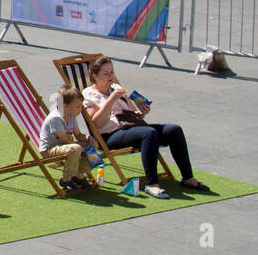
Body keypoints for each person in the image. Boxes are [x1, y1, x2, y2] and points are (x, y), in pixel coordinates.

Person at [82, 56, 207, 198]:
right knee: (149, 133)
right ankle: (152, 184)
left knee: (174, 130)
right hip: (109, 135)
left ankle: (188, 178)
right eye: (106, 73)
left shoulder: (116, 88)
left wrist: (142, 113)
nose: (111, 76)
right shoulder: (88, 95)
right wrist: (111, 99)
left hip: (130, 127)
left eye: (112, 72)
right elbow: (96, 124)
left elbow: (133, 117)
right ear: (94, 75)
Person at [40, 87, 96, 193]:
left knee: (91, 144)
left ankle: (79, 174)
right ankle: (66, 179)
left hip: (66, 147)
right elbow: (64, 138)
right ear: (65, 106)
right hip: (49, 150)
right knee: (76, 148)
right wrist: (79, 147)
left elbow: (78, 135)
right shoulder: (55, 118)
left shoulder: (71, 116)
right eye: (78, 106)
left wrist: (88, 138)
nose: (80, 109)